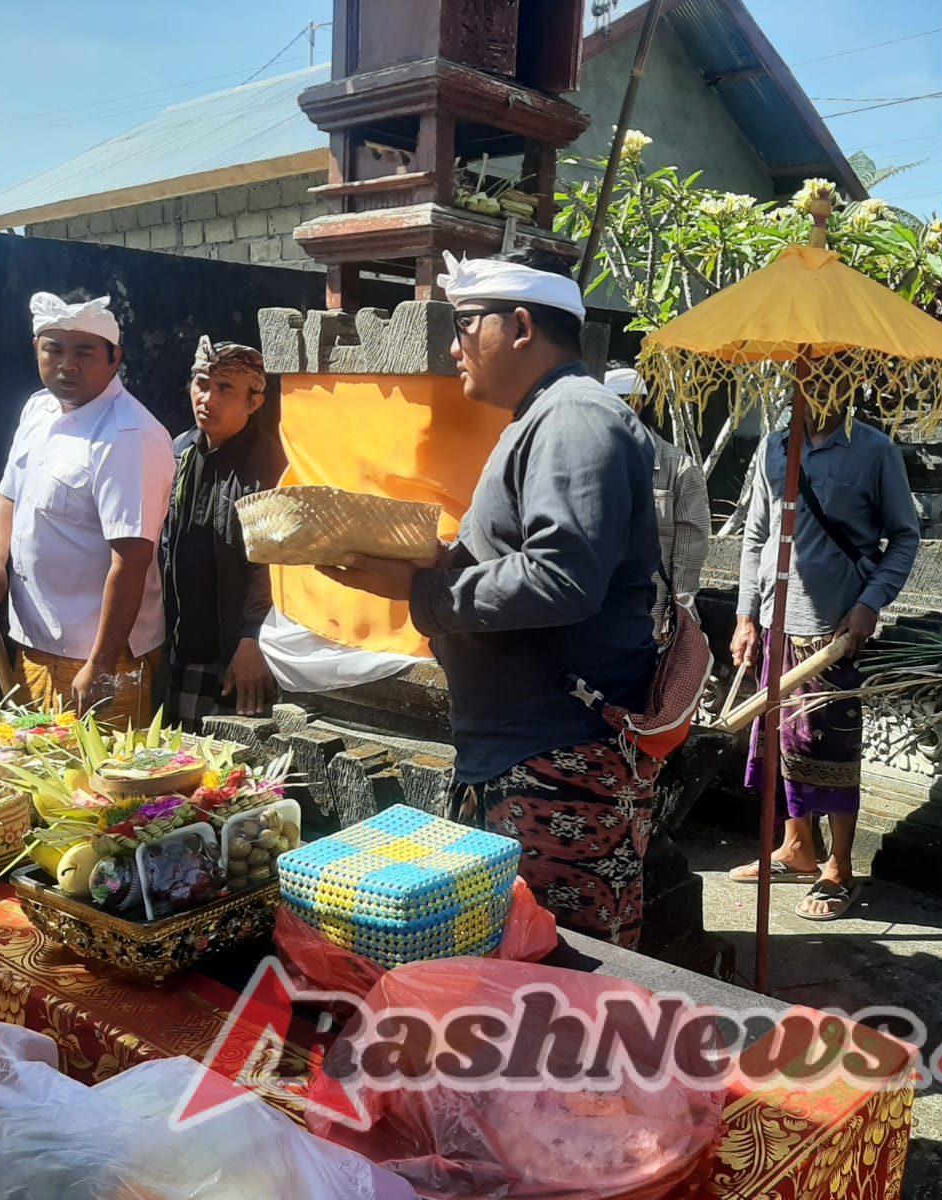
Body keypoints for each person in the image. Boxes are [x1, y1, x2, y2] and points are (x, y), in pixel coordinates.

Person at [318, 248, 664, 950]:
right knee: (514, 964)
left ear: (521, 326)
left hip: (559, 753)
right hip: (527, 748)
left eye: (466, 324)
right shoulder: (547, 415)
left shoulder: (574, 418)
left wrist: (425, 590)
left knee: (558, 972)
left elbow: (562, 576)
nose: (454, 346)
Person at [729, 383, 922, 920]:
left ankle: (839, 866)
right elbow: (755, 534)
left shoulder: (875, 450)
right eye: (801, 379)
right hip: (775, 620)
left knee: (829, 749)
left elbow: (904, 538)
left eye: (824, 378)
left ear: (847, 384)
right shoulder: (773, 445)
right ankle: (797, 848)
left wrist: (870, 603)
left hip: (832, 631)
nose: (811, 391)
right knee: (779, 742)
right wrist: (746, 614)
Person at [0, 291, 174, 727]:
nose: (67, 364)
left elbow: (131, 559)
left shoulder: (128, 436)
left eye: (84, 352)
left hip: (101, 659)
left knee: (103, 787)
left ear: (115, 358)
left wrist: (100, 665)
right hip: (35, 644)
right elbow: (7, 498)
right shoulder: (37, 410)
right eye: (52, 350)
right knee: (40, 778)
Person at [159, 337, 285, 729]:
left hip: (238, 654)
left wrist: (254, 638)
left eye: (225, 388)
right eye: (201, 383)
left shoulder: (271, 466)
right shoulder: (179, 453)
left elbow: (274, 564)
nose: (207, 398)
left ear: (254, 401)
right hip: (181, 646)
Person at [604, 365, 711, 646]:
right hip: (593, 611)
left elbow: (690, 551)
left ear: (635, 405)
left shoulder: (680, 469)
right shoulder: (586, 461)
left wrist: (678, 615)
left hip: (649, 616)